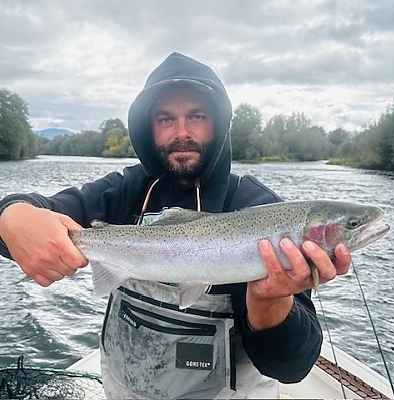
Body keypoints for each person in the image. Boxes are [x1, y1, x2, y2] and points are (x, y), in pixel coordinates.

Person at [0, 52, 351, 399]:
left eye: (196, 116)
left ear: (218, 123)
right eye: (166, 119)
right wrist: (12, 216)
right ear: (148, 127)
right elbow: (40, 214)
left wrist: (267, 299)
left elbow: (291, 368)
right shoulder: (126, 191)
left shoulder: (260, 209)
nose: (182, 132)